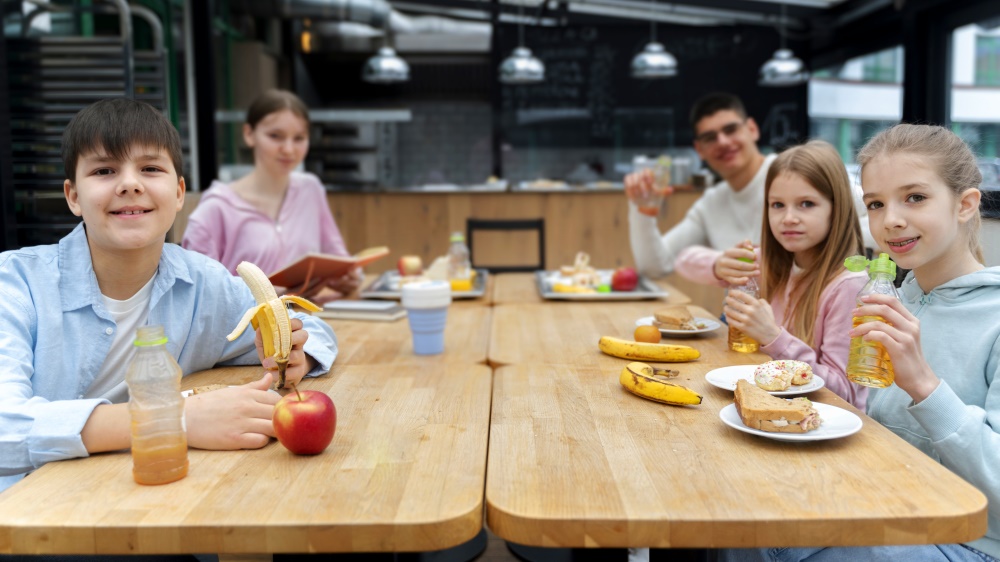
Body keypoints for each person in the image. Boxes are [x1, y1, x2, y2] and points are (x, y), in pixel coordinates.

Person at [0, 98, 339, 495]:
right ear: (73, 196)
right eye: (105, 170)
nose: (130, 183)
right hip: (31, 515)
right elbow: (6, 426)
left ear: (179, 193)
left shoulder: (201, 282)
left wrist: (297, 351)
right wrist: (174, 418)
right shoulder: (15, 283)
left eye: (150, 169)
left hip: (146, 493)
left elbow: (313, 329)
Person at [716, 125, 1000, 561]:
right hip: (884, 507)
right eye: (875, 204)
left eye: (915, 198)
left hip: (969, 541)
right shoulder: (890, 298)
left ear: (965, 205)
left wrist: (924, 385)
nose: (892, 220)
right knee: (737, 504)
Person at [718, 140, 869, 410]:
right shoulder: (770, 262)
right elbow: (688, 263)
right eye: (777, 205)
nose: (788, 218)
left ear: (837, 208)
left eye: (806, 204)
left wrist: (774, 337)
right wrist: (721, 268)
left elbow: (845, 395)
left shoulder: (850, 286)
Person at [182, 89, 361, 302]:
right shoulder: (215, 208)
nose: (288, 149)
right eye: (275, 136)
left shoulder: (310, 190)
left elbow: (338, 258)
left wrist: (348, 278)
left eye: (299, 138)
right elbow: (200, 293)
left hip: (310, 324)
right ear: (249, 134)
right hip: (247, 331)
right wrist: (268, 296)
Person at [625, 92, 777, 282]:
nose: (722, 142)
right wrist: (643, 209)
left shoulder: (790, 176)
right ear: (699, 150)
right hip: (739, 310)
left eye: (731, 129)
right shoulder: (711, 203)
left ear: (752, 129)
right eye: (710, 137)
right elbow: (655, 267)